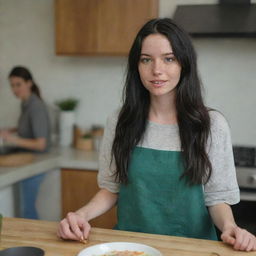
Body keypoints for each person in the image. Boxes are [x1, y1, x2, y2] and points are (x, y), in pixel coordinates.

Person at [57, 18, 256, 251]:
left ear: (184, 64)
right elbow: (112, 187)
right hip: (132, 249)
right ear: (136, 66)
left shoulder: (211, 125)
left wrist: (230, 226)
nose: (157, 70)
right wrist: (80, 215)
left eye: (168, 59)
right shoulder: (120, 121)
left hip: (193, 249)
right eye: (146, 60)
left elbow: (216, 199)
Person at [0, 66, 51, 219]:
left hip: (35, 162)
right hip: (29, 159)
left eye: (18, 84)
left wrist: (12, 139)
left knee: (27, 210)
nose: (15, 89)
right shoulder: (26, 103)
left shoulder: (36, 106)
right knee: (25, 210)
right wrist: (12, 130)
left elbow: (41, 144)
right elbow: (29, 127)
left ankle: (32, 242)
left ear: (29, 83)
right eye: (12, 85)